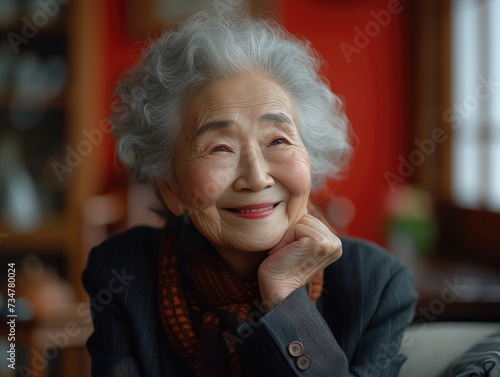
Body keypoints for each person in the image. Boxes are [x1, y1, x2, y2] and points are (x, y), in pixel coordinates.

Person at [82, 12, 417, 377]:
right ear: (170, 187)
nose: (256, 178)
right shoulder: (124, 271)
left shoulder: (377, 284)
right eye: (220, 148)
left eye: (278, 140)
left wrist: (285, 299)